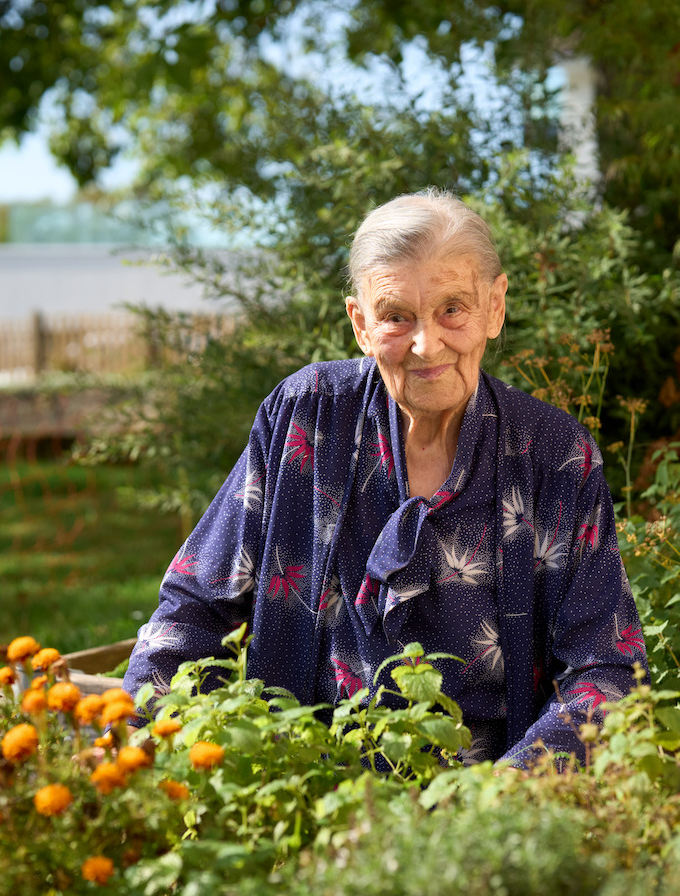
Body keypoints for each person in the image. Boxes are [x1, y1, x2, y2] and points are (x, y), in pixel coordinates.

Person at [122, 188, 647, 766]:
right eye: (396, 316)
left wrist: (506, 800)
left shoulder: (556, 456)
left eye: (453, 308)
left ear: (495, 308)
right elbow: (195, 607)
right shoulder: (306, 416)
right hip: (313, 797)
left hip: (490, 815)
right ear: (361, 325)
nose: (426, 344)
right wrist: (128, 747)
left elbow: (606, 670)